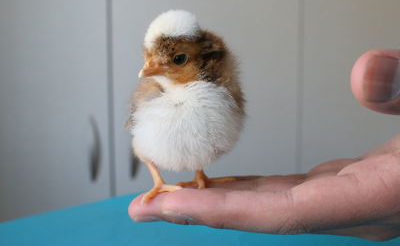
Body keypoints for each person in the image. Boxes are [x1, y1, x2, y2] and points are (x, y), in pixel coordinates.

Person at [129, 49, 400, 241]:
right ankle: (160, 181)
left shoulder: (217, 92)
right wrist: (159, 183)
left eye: (178, 59)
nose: (151, 67)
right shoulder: (154, 94)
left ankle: (200, 174)